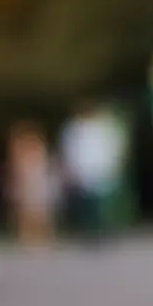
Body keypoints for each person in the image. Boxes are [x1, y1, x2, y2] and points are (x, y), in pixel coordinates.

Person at [59, 101, 125, 245]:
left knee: (102, 204)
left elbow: (110, 148)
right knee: (87, 204)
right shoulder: (73, 129)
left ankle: (104, 230)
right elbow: (70, 150)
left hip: (100, 169)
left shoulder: (102, 127)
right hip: (83, 170)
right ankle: (89, 232)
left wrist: (113, 165)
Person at [2, 121, 58, 247]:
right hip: (27, 182)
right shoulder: (20, 148)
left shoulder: (37, 148)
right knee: (26, 208)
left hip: (37, 181)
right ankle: (27, 235)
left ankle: (41, 235)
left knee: (40, 209)